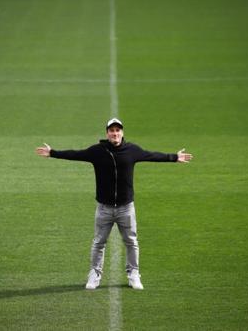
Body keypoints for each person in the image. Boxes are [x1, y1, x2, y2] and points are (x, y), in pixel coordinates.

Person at [35, 118, 193, 290]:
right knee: (98, 243)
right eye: (112, 130)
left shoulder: (132, 150)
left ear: (122, 133)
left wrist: (174, 157)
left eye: (118, 130)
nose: (115, 133)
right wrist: (53, 153)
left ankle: (134, 274)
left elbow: (152, 155)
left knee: (131, 242)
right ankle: (95, 274)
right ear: (107, 133)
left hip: (126, 208)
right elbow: (75, 154)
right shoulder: (97, 151)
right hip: (104, 209)